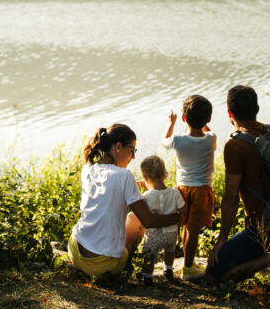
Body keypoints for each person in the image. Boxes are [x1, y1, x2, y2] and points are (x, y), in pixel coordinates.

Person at [205, 85, 270, 282]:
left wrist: (222, 238)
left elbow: (231, 199)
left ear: (230, 113)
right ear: (257, 109)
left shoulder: (235, 146)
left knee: (213, 275)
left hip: (261, 229)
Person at [68, 124, 180, 278]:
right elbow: (148, 221)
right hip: (103, 265)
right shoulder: (124, 175)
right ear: (118, 147)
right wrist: (178, 217)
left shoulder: (88, 169)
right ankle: (135, 262)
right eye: (132, 150)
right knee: (135, 219)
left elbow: (109, 187)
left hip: (75, 251)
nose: (133, 157)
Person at [163, 95, 216, 280]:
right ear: (208, 119)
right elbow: (208, 131)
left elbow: (165, 140)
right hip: (201, 190)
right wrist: (202, 123)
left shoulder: (178, 140)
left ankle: (188, 263)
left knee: (186, 227)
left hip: (183, 189)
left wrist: (171, 123)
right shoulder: (211, 138)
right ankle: (187, 267)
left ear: (184, 119)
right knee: (193, 230)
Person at [138, 155, 185, 285]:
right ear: (164, 174)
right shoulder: (175, 193)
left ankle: (147, 276)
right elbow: (183, 210)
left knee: (149, 256)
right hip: (171, 233)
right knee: (170, 251)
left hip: (154, 234)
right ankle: (168, 269)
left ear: (145, 178)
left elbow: (144, 216)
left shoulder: (146, 196)